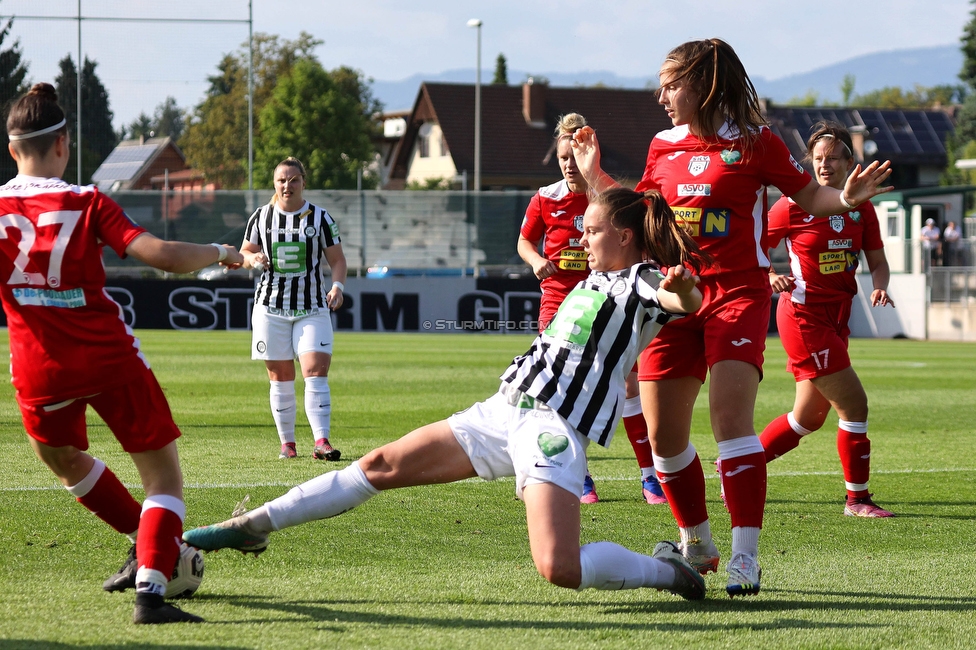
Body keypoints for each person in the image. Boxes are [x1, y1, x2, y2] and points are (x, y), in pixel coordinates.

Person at [185, 188, 710, 601]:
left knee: (559, 567)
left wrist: (682, 285)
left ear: (622, 237)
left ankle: (666, 571)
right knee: (381, 465)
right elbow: (621, 218)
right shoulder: (597, 273)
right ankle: (255, 524)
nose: (581, 239)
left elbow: (677, 299)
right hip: (506, 408)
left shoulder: (640, 281)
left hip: (554, 427)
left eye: (591, 231)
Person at [572, 38, 893, 597]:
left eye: (672, 83)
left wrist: (844, 198)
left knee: (729, 423)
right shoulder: (661, 145)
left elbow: (806, 199)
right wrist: (597, 178)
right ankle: (696, 540)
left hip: (738, 294)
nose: (662, 94)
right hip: (675, 296)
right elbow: (642, 216)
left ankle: (746, 558)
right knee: (662, 435)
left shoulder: (756, 142)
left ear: (704, 83)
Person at [0, 83, 244, 624]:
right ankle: (152, 590)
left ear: (13, 149)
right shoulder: (86, 202)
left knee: (63, 460)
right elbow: (161, 255)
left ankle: (145, 545)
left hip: (39, 367)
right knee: (164, 482)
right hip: (109, 359)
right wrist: (226, 252)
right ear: (62, 144)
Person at [518, 113, 667, 506]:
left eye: (574, 155)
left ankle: (650, 477)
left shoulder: (607, 199)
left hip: (609, 300)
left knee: (630, 386)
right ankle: (579, 477)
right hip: (558, 302)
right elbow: (524, 242)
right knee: (558, 387)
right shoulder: (544, 198)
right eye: (563, 156)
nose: (569, 164)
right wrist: (535, 261)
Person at [762, 121, 895, 518]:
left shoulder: (861, 207)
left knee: (807, 418)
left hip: (836, 317)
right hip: (803, 315)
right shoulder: (790, 205)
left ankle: (738, 464)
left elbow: (878, 261)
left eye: (833, 157)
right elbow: (753, 248)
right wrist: (769, 274)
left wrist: (880, 285)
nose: (825, 164)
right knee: (855, 405)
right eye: (818, 158)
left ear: (849, 162)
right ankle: (857, 500)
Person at [240, 157, 348, 461]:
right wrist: (253, 259)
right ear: (274, 184)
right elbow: (245, 253)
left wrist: (337, 287)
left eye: (293, 180)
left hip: (312, 307)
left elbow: (337, 260)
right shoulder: (261, 217)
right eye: (281, 180)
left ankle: (321, 441)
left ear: (303, 181)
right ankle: (287, 444)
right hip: (270, 308)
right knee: (281, 376)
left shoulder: (321, 218)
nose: (287, 186)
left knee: (315, 371)